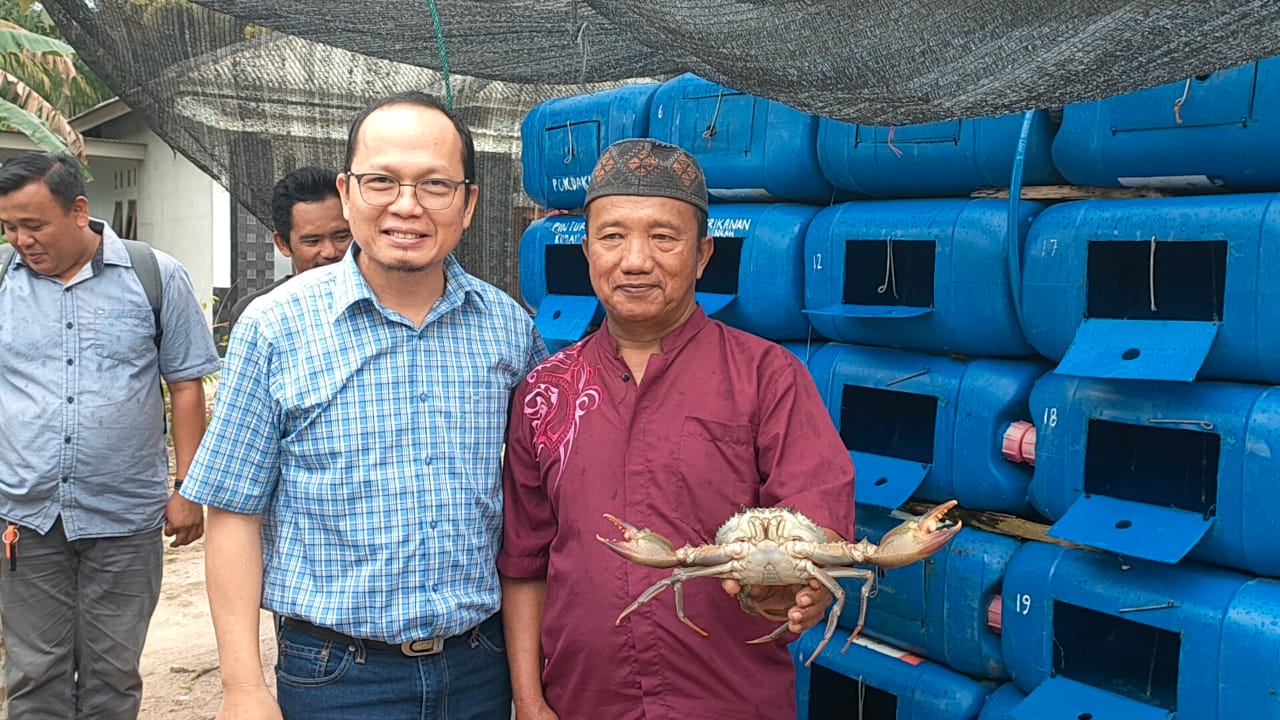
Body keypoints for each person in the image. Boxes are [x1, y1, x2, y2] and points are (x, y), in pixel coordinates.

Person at [181, 92, 546, 720]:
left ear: (469, 202)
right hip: (337, 674)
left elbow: (537, 501)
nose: (407, 205)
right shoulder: (275, 328)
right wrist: (241, 686)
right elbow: (233, 512)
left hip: (480, 664)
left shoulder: (509, 329)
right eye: (382, 181)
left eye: (435, 184)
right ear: (349, 193)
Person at [498, 139, 856, 720]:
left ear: (703, 253)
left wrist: (794, 593)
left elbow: (818, 528)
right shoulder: (546, 390)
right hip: (583, 702)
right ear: (587, 249)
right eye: (612, 236)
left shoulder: (767, 377)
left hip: (730, 701)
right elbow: (525, 562)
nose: (635, 260)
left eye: (664, 237)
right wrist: (529, 701)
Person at [0, 151, 221, 719]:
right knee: (33, 676)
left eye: (33, 224)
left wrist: (187, 488)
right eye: (9, 227)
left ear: (79, 210)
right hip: (24, 517)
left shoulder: (154, 275)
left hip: (126, 518)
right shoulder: (2, 282)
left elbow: (186, 385)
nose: (21, 240)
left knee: (113, 676)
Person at [221, 166, 352, 333]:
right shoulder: (257, 315)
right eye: (313, 241)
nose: (330, 252)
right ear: (283, 243)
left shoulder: (385, 300)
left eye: (342, 237)